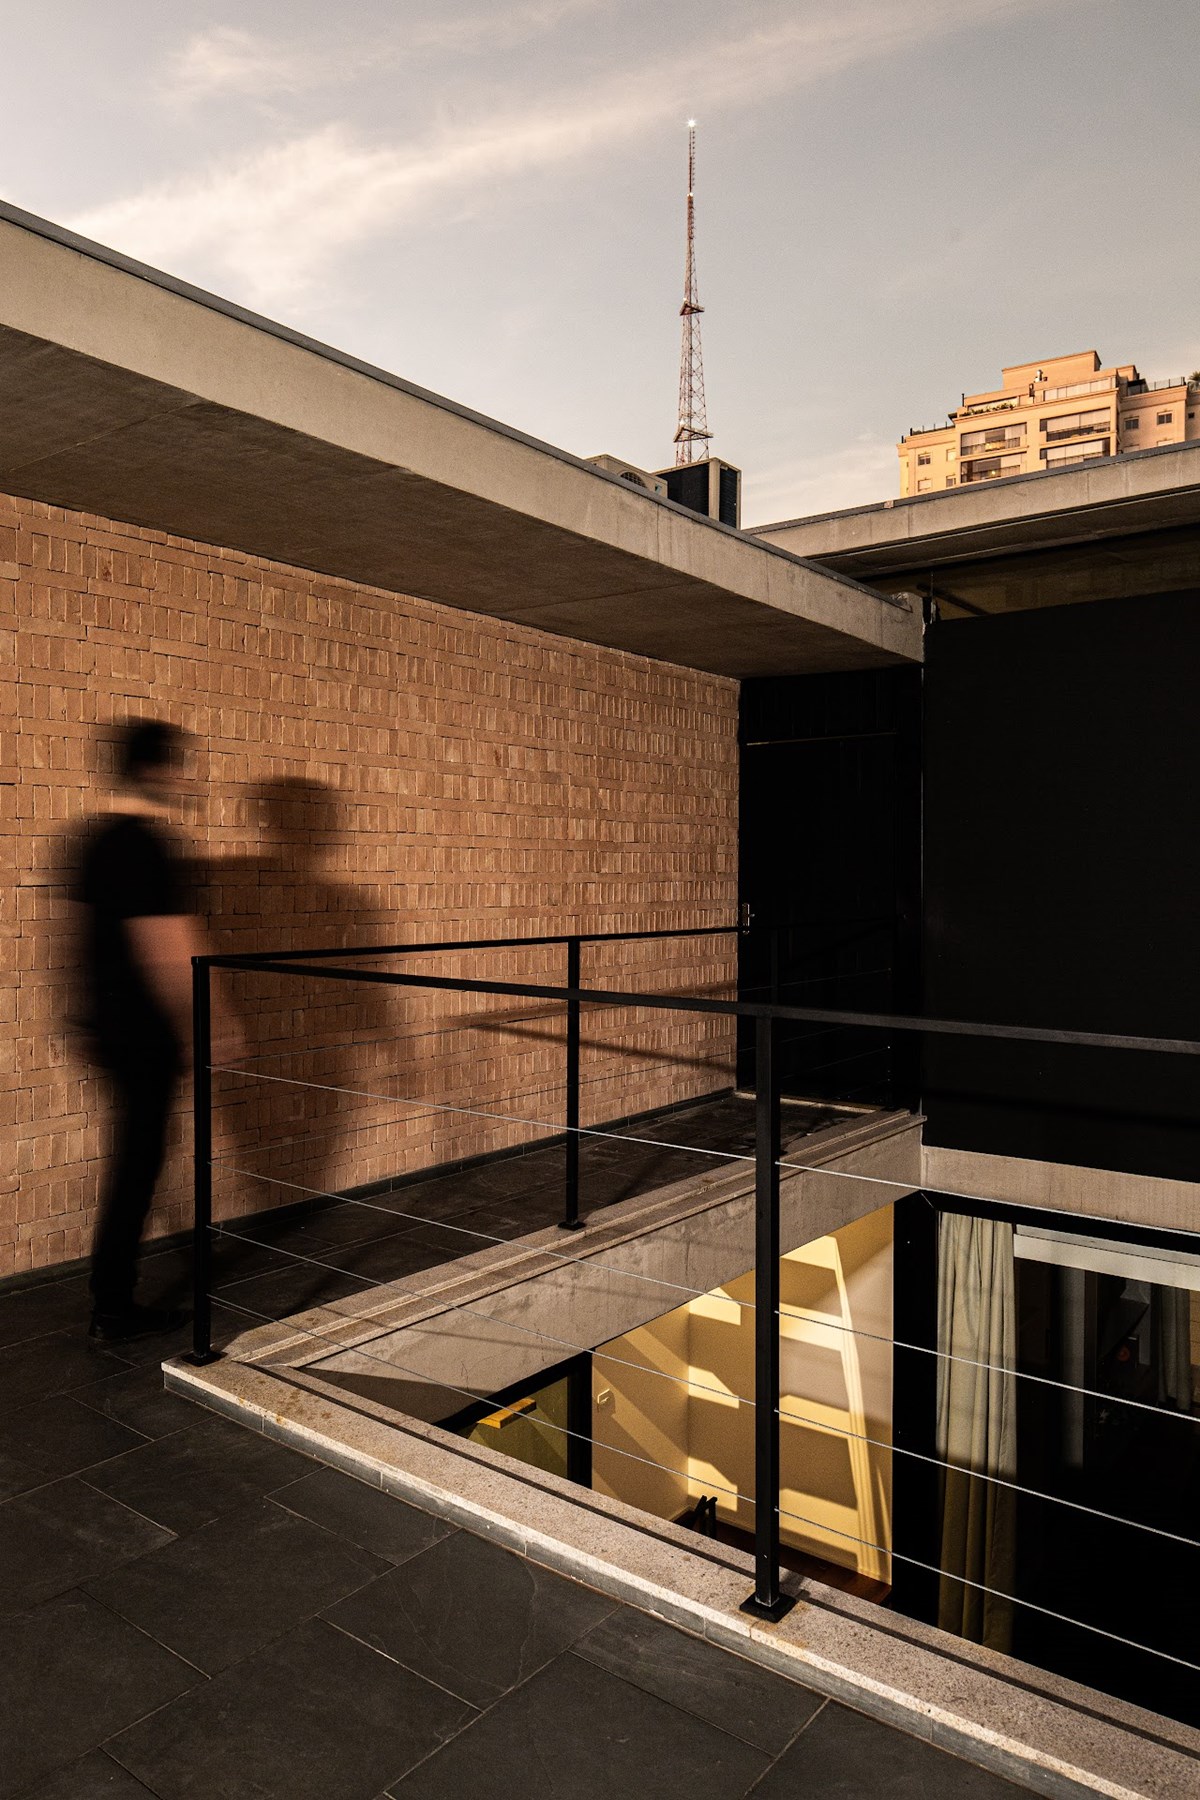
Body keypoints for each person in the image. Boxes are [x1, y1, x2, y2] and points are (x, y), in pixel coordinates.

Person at [74, 719, 240, 1341]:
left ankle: (111, 1292)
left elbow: (76, 936)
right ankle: (111, 1303)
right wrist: (211, 1024)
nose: (186, 778)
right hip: (143, 1032)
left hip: (106, 1024)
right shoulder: (147, 845)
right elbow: (168, 948)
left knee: (139, 1154)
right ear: (156, 770)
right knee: (141, 1158)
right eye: (179, 766)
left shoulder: (92, 839)